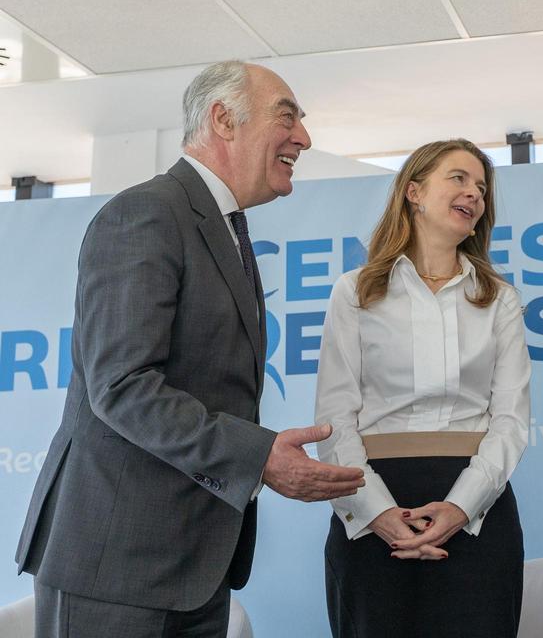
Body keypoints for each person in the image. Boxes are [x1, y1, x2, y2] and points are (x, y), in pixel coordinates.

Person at [14, 60, 366, 638]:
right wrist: (259, 456)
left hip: (194, 568)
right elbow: (122, 387)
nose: (304, 137)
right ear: (224, 119)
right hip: (118, 568)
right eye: (288, 117)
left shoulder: (228, 229)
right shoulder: (146, 213)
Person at [316, 139, 531, 638]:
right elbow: (334, 419)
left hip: (478, 513)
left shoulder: (499, 299)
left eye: (481, 187)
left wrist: (461, 507)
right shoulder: (355, 291)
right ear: (413, 191)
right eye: (459, 178)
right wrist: (378, 513)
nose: (474, 193)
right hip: (370, 512)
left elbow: (511, 422)